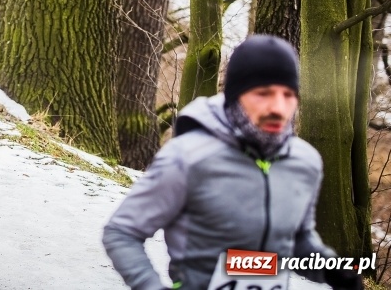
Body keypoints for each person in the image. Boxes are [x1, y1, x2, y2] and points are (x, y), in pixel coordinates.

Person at [102, 35, 363, 290]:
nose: (278, 108)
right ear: (235, 95)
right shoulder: (188, 156)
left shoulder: (304, 162)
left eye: (288, 95)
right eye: (263, 93)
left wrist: (334, 270)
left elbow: (298, 240)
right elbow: (122, 232)